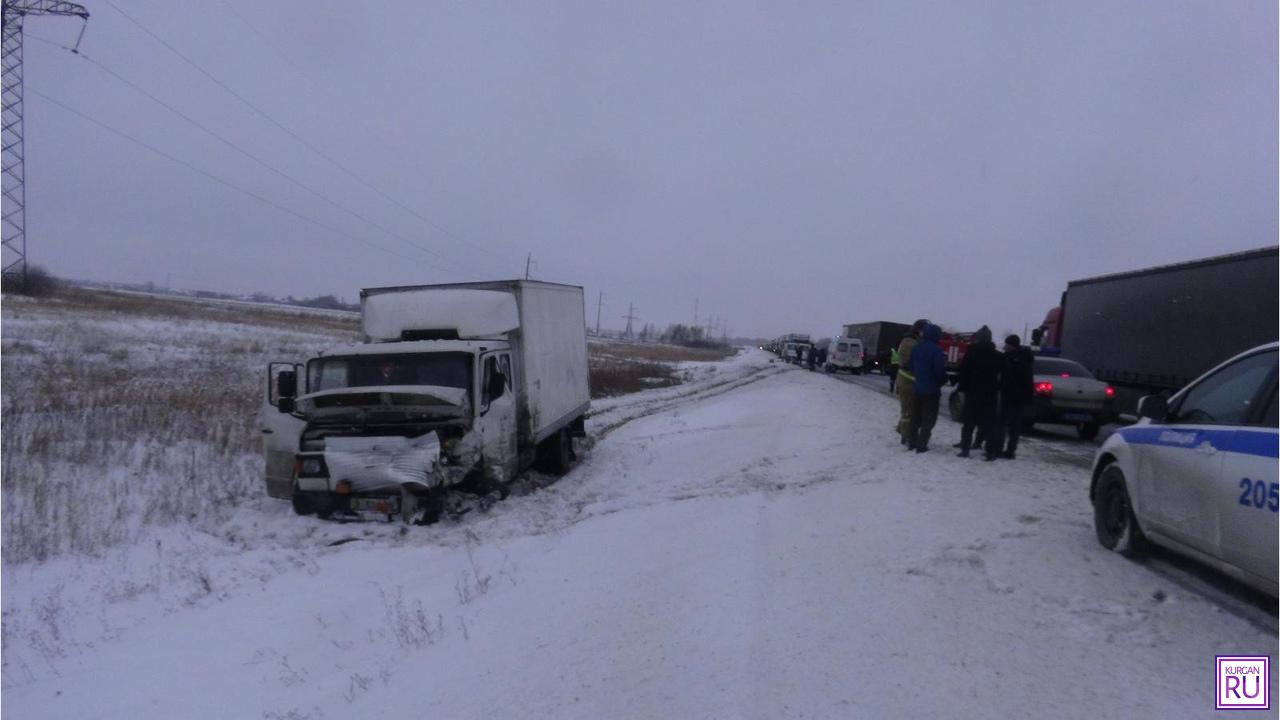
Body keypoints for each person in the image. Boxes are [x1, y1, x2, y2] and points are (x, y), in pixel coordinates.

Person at [955, 326, 1005, 460]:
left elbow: (963, 371)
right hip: (990, 394)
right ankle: (990, 452)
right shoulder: (998, 356)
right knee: (989, 424)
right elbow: (1003, 376)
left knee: (969, 423)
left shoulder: (971, 353)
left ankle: (965, 449)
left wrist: (963, 387)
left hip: (973, 392)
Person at [905, 323, 948, 452]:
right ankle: (921, 445)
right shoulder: (937, 351)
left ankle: (911, 442)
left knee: (915, 418)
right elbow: (940, 371)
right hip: (932, 391)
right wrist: (942, 381)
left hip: (917, 389)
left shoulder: (917, 348)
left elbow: (911, 367)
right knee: (928, 420)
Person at [992, 334, 1035, 459]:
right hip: (1020, 397)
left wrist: (1000, 385)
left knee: (1002, 423)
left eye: (1007, 345)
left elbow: (1009, 377)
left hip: (1010, 395)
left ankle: (998, 449)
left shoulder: (1012, 359)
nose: (1005, 347)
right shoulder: (1026, 358)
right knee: (1014, 426)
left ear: (1012, 345)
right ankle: (1010, 451)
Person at [895, 319, 929, 444]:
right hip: (907, 380)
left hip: (909, 380)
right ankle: (906, 436)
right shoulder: (909, 342)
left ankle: (903, 431)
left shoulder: (912, 341)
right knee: (908, 411)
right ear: (918, 330)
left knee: (910, 409)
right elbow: (912, 362)